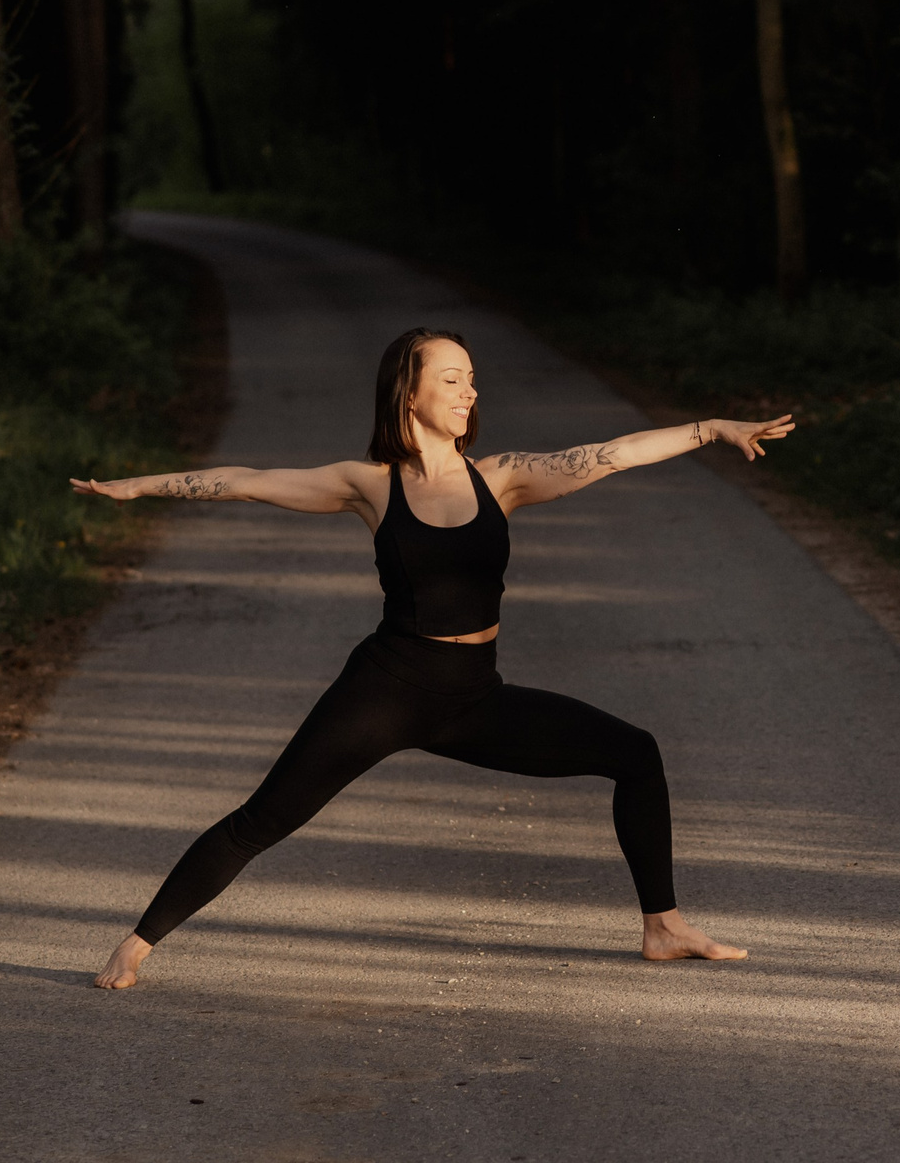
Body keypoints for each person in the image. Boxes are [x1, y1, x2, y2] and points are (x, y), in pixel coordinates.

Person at [69, 325, 793, 989]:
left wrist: (711, 429)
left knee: (636, 753)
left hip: (475, 699)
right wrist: (139, 487)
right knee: (262, 820)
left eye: (471, 378)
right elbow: (245, 480)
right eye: (451, 378)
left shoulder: (502, 477)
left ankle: (663, 927)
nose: (469, 390)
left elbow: (614, 453)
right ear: (408, 392)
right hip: (386, 690)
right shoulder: (371, 485)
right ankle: (133, 946)